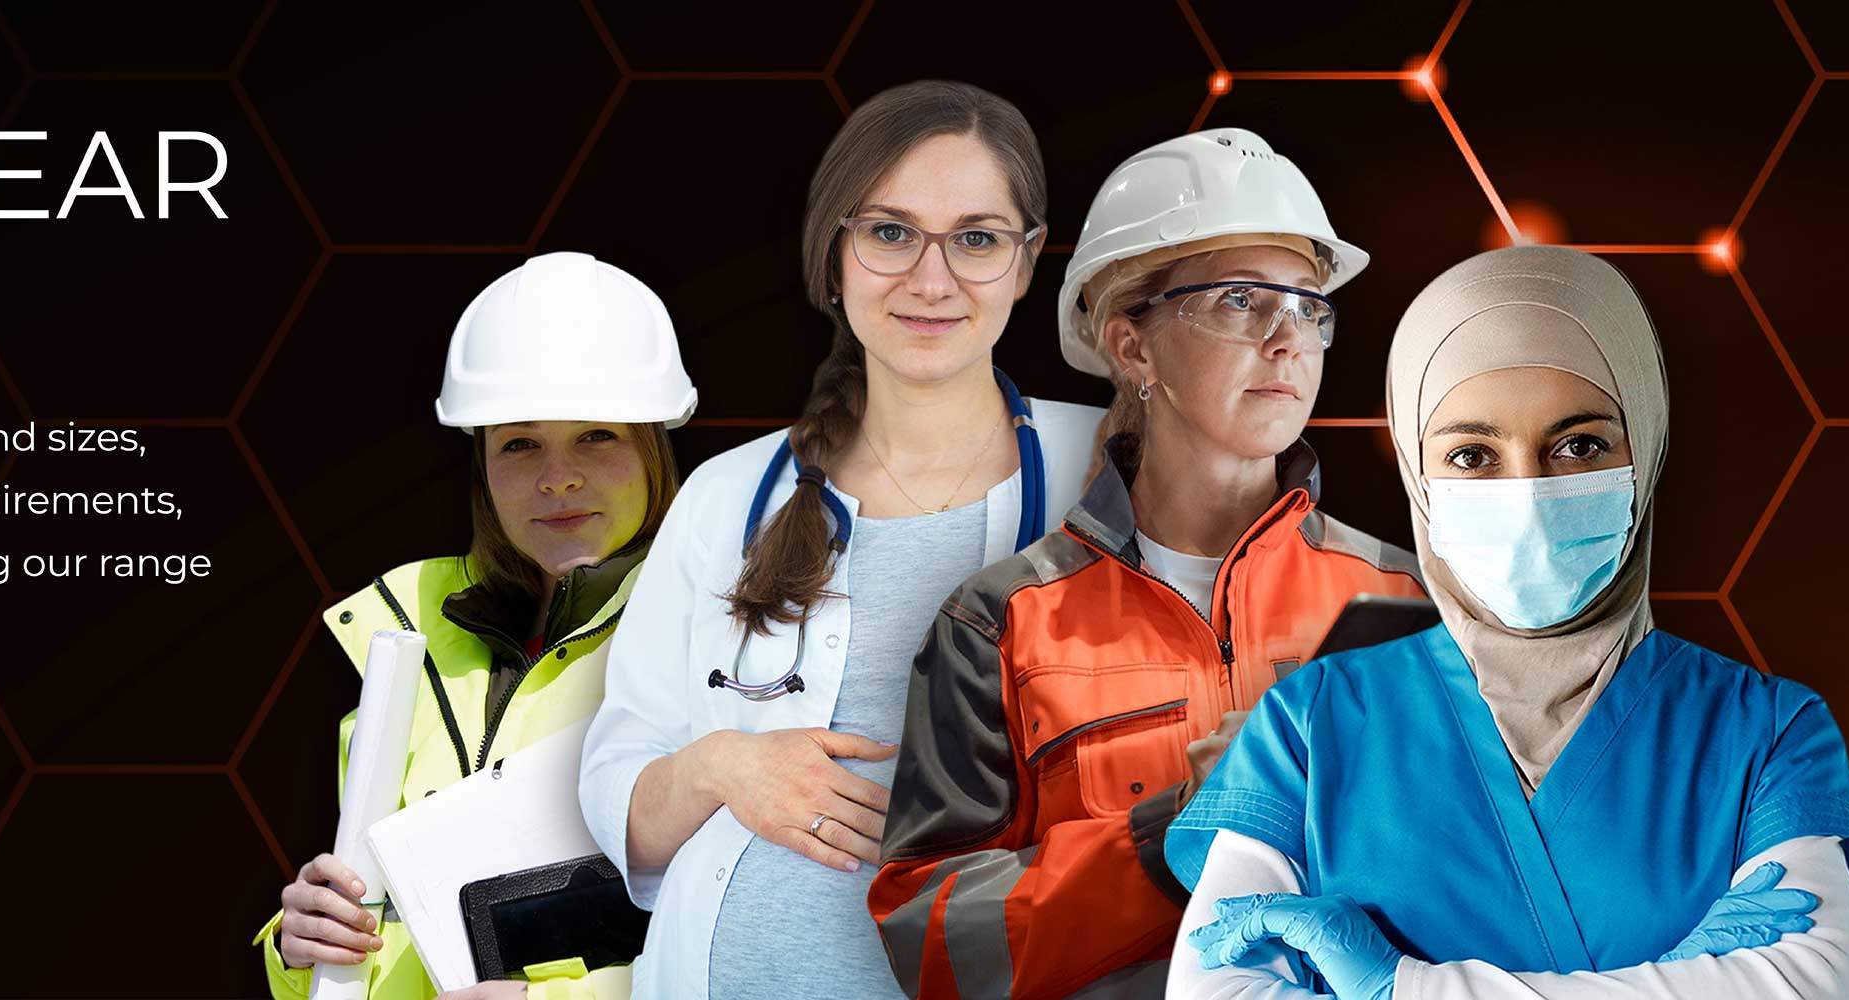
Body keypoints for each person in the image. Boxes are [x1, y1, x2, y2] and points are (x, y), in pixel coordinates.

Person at [1162, 245, 1849, 999]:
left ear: (1645, 448)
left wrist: (1400, 987)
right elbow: (1219, 989)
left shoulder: (1770, 731)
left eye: (1579, 446)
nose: (1528, 496)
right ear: (1419, 474)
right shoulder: (1307, 726)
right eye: (1473, 455)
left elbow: (1811, 985)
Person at [866, 128, 1427, 1000]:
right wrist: (1171, 831)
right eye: (1243, 300)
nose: (1289, 340)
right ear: (1132, 346)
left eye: (1309, 307)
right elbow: (932, 945)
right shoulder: (1001, 623)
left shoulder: (1405, 600)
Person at [575, 80, 1104, 1000]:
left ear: (1025, 264)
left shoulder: (1108, 469)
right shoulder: (726, 497)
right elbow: (619, 798)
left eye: (976, 239)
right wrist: (722, 767)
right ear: (836, 255)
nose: (930, 280)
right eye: (891, 233)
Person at [255, 251, 699, 1000]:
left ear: (653, 448)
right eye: (519, 443)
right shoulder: (403, 639)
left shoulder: (731, 638)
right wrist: (298, 949)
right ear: (482, 465)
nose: (558, 477)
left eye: (596, 435)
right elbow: (370, 925)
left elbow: (771, 924)